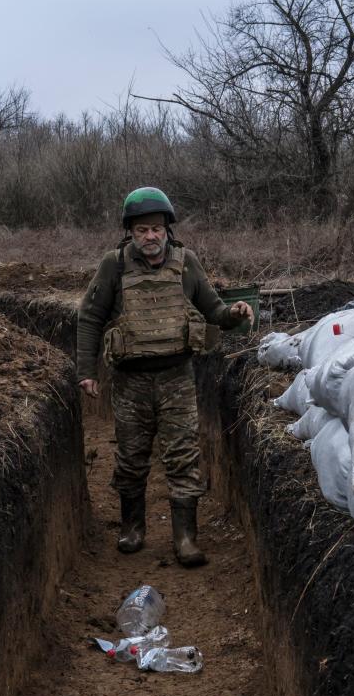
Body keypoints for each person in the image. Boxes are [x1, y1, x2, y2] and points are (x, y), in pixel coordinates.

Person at [76, 187, 254, 567]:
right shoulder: (115, 265)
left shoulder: (186, 262)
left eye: (156, 229)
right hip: (129, 383)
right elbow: (90, 318)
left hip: (177, 377)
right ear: (130, 233)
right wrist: (86, 372)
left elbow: (213, 310)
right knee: (131, 458)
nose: (150, 237)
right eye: (142, 230)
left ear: (167, 230)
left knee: (182, 457)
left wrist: (235, 313)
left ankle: (186, 538)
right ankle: (133, 528)